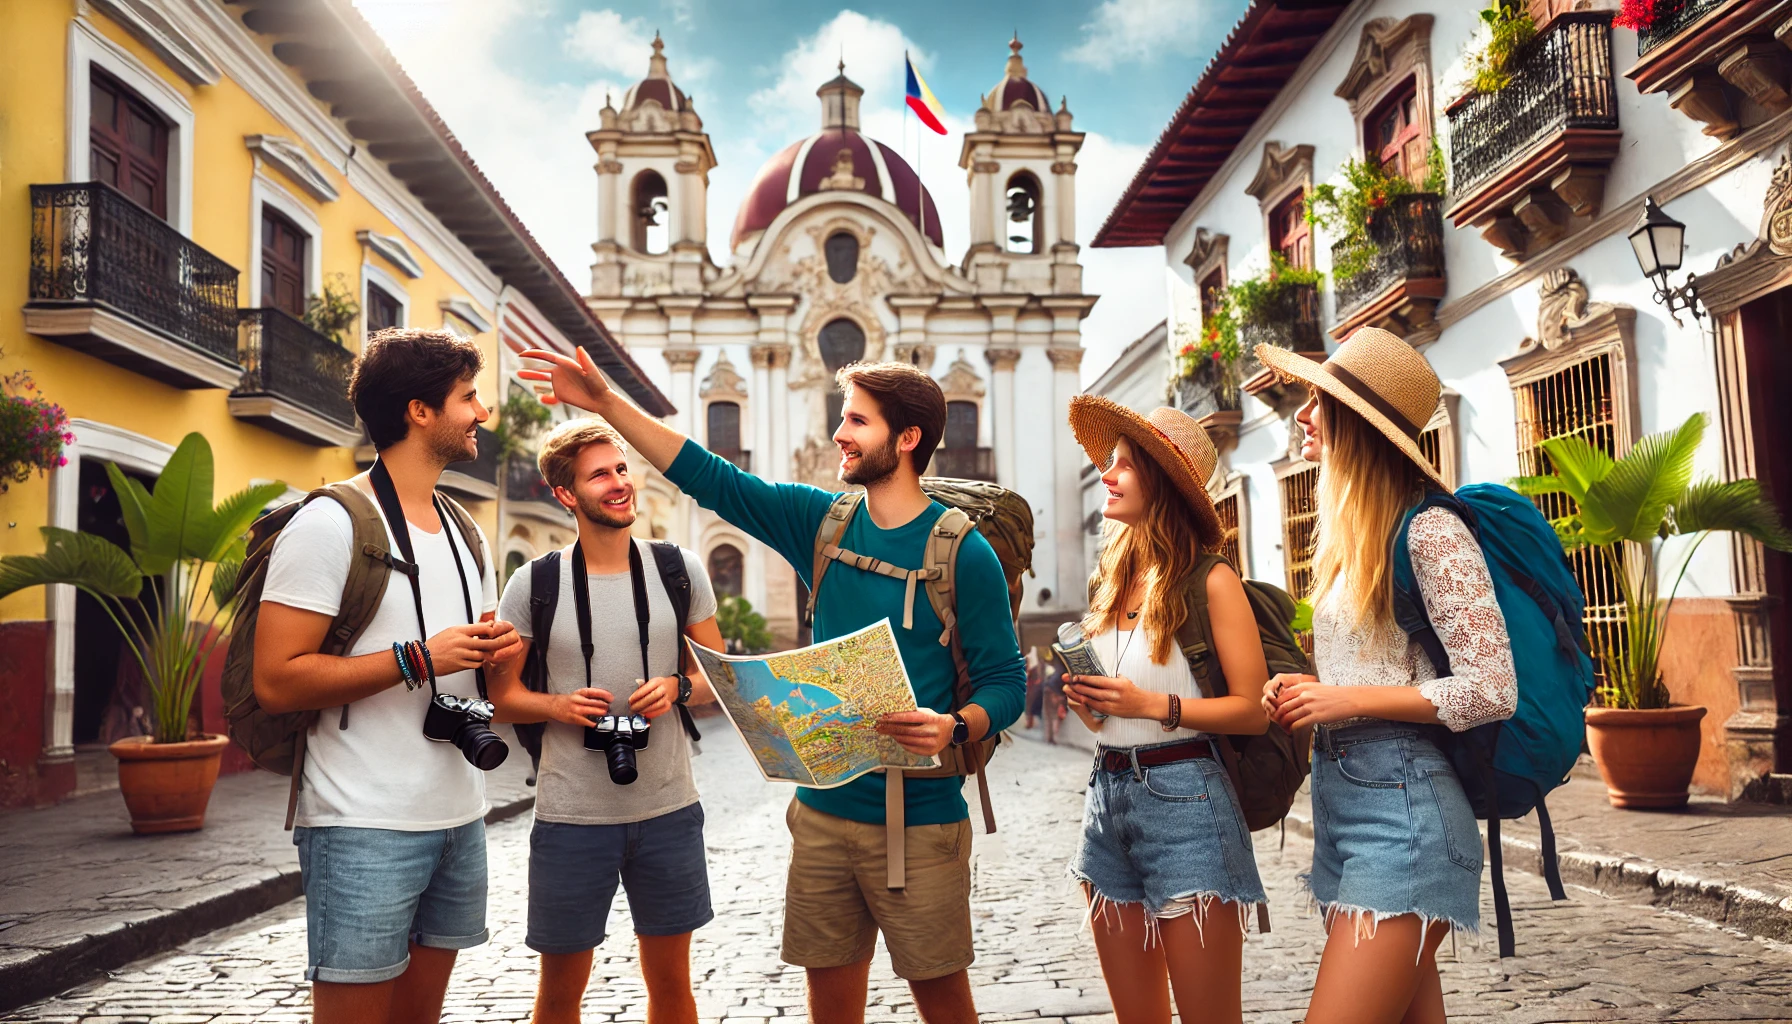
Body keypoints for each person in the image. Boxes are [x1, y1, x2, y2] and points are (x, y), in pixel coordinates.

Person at [517, 345, 1025, 1024]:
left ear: (906, 440)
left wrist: (957, 725)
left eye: (858, 422)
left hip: (920, 823)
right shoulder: (821, 523)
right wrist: (606, 404)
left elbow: (1004, 679)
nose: (839, 433)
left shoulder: (965, 552)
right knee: (828, 1008)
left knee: (944, 1006)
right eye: (843, 418)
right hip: (821, 820)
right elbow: (712, 478)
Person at [253, 328, 522, 1024]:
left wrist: (497, 656)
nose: (484, 413)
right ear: (419, 411)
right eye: (469, 398)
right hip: (361, 823)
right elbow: (277, 680)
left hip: (461, 816)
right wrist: (418, 659)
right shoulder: (330, 523)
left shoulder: (466, 529)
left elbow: (471, 667)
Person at [1256, 329, 1517, 1024]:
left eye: (1319, 402)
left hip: (1406, 809)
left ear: (1358, 424)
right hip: (1342, 804)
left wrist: (1345, 698)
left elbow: (1494, 686)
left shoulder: (1431, 531)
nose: (1302, 416)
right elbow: (1371, 665)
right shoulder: (1351, 542)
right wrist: (1303, 690)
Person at [487, 417, 725, 1024]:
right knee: (560, 995)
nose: (619, 483)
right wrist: (558, 707)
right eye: (600, 475)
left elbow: (721, 683)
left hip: (670, 809)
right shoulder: (533, 582)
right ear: (566, 494)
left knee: (673, 989)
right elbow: (502, 697)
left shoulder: (679, 570)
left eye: (621, 469)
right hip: (570, 817)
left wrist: (677, 687)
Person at [1059, 397, 1271, 1024]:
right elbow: (1115, 713)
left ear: (1163, 481)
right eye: (1109, 461)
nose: (1107, 473)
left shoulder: (1212, 580)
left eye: (1124, 464)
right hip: (1105, 800)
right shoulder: (1110, 583)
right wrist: (1094, 707)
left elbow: (1254, 711)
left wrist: (1152, 704)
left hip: (1189, 803)